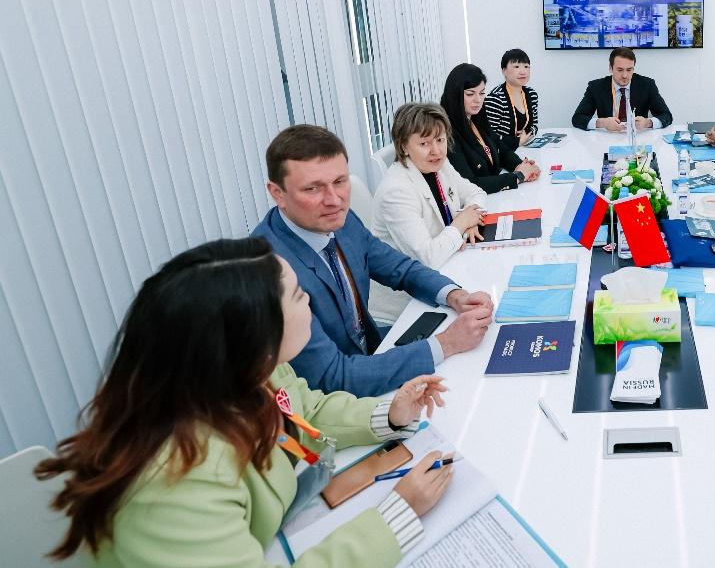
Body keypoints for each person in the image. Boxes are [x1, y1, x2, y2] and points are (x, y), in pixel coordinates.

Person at [36, 237, 453, 567]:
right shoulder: (175, 483)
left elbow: (306, 410)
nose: (309, 299)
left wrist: (389, 413)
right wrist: (396, 516)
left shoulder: (248, 372)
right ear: (254, 333)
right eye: (297, 295)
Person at [253, 125, 492, 397]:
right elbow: (332, 376)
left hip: (372, 349)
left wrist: (454, 295)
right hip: (335, 398)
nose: (334, 200)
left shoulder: (340, 221)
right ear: (277, 193)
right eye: (312, 188)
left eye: (340, 181)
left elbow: (400, 268)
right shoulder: (269, 270)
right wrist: (446, 343)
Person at [372, 102, 487, 269]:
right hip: (412, 280)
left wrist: (471, 223)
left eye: (440, 140)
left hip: (451, 259)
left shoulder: (441, 164)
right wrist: (461, 223)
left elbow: (476, 193)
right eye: (424, 143)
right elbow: (427, 258)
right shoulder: (396, 191)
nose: (436, 151)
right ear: (403, 147)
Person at [441, 63, 540, 193]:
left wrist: (521, 165)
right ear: (455, 95)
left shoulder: (476, 119)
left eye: (482, 93)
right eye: (470, 94)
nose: (478, 100)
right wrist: (518, 176)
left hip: (495, 198)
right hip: (477, 201)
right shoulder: (445, 132)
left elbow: (501, 150)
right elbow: (470, 184)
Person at [571, 47, 673, 131]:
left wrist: (647, 123)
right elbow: (577, 118)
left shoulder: (647, 85)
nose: (625, 75)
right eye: (620, 70)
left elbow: (667, 116)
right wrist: (602, 123)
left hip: (638, 139)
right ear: (610, 68)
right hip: (607, 138)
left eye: (629, 70)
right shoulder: (596, 87)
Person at [484, 48, 539, 150]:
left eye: (526, 66)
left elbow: (534, 125)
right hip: (502, 153)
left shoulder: (532, 94)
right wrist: (517, 141)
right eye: (516, 66)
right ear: (504, 70)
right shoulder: (496, 98)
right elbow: (488, 137)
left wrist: (527, 134)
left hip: (525, 148)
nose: (523, 72)